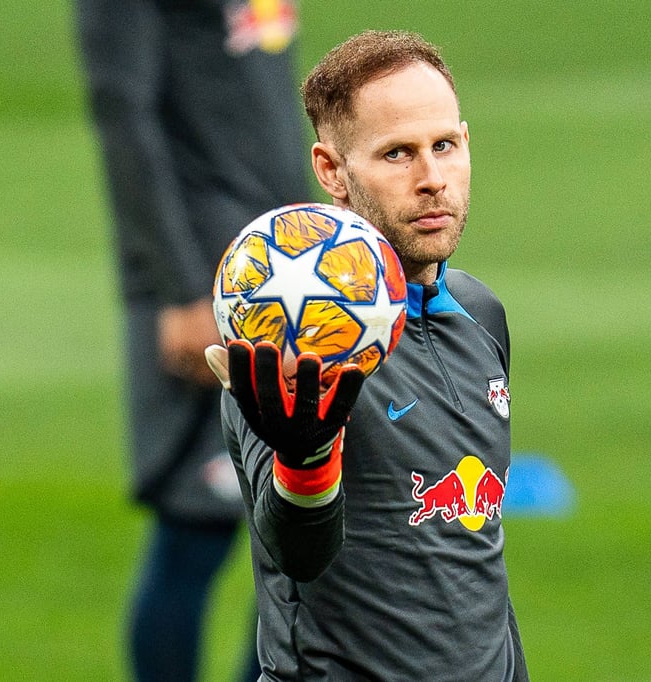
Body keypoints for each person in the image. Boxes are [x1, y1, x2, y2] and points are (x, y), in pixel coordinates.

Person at [206, 30, 529, 680]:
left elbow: (478, 560)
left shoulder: (480, 317)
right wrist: (307, 462)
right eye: (397, 154)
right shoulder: (292, 345)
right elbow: (297, 553)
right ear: (332, 171)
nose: (432, 179)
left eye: (445, 146)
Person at [75, 1, 310, 680]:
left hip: (286, 261)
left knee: (300, 535)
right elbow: (123, 112)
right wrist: (181, 289)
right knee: (196, 530)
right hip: (206, 271)